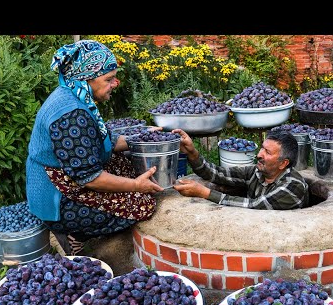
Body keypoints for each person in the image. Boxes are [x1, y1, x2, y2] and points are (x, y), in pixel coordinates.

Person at [26, 39, 164, 256]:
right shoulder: (71, 115)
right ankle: (73, 232)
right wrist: (136, 185)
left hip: (68, 176)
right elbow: (89, 178)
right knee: (143, 204)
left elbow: (104, 140)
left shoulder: (76, 95)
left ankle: (78, 230)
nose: (115, 83)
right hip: (58, 198)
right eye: (109, 79)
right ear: (85, 78)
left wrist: (142, 138)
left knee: (125, 163)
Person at [172, 129, 309, 209]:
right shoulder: (256, 172)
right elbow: (217, 174)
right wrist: (191, 152)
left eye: (267, 152)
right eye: (262, 147)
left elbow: (255, 205)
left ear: (283, 164)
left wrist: (205, 193)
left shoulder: (293, 186)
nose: (259, 154)